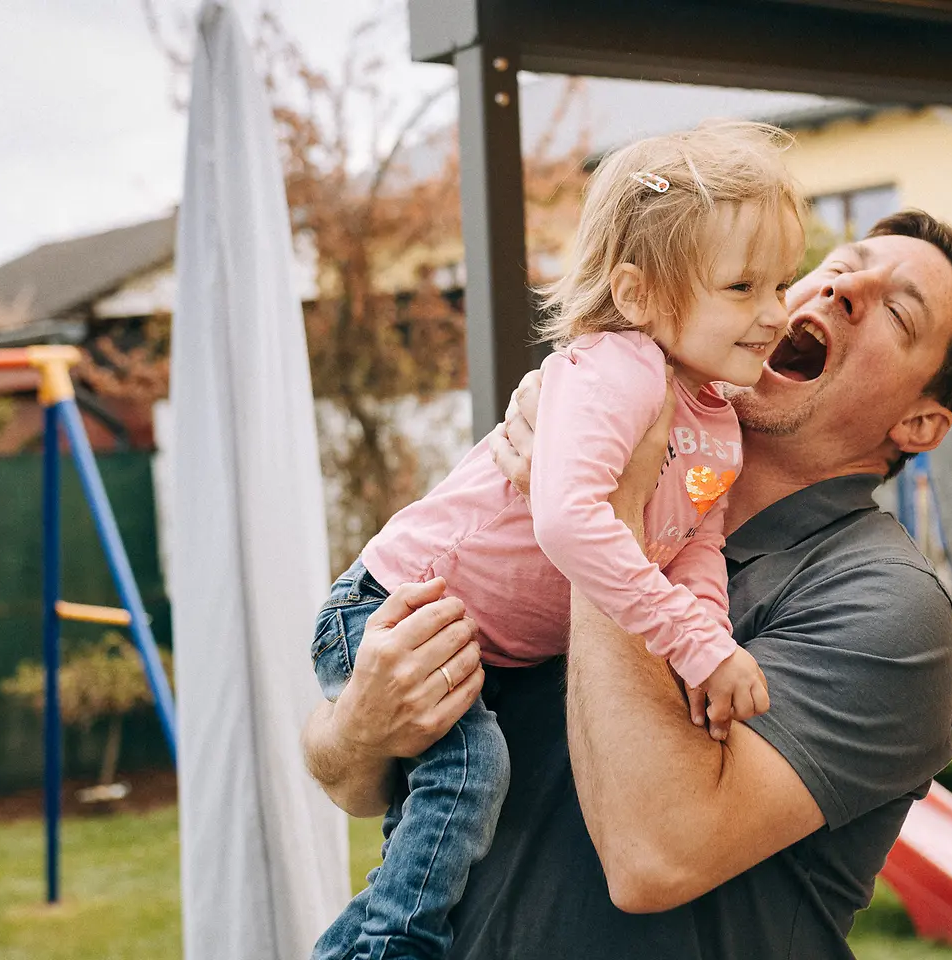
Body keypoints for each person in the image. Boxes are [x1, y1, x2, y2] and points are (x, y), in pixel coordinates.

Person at [303, 208, 952, 960]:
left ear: (921, 424)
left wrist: (602, 519)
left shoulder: (884, 606)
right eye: (837, 266)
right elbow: (355, 780)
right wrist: (357, 731)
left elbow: (655, 858)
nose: (842, 288)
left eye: (897, 310)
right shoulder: (609, 442)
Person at [308, 122, 807, 960]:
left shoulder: (715, 418)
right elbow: (570, 518)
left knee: (456, 789)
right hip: (395, 605)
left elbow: (692, 543)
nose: (775, 313)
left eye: (782, 282)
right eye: (742, 286)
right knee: (468, 775)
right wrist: (685, 639)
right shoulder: (619, 371)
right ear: (640, 294)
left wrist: (707, 641)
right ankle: (377, 947)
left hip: (484, 648)